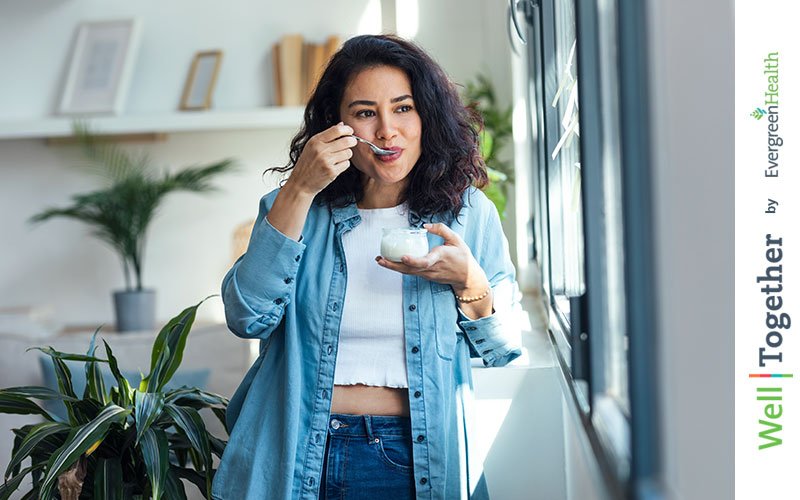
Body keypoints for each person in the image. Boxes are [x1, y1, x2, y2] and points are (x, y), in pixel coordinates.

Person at [211, 34, 522, 500]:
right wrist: (299, 189)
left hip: (414, 457)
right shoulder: (295, 207)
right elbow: (246, 316)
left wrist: (469, 282)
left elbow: (505, 346)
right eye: (364, 113)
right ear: (336, 126)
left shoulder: (467, 214)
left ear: (427, 116)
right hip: (297, 454)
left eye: (403, 108)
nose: (386, 132)